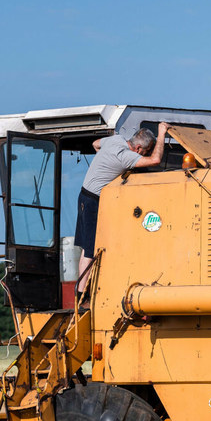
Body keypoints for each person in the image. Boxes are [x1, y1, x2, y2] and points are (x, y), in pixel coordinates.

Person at [75, 122, 167, 298]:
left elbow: (95, 143)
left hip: (83, 196)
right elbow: (155, 160)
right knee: (90, 249)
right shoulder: (125, 156)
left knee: (85, 248)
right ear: (139, 148)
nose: (145, 156)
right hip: (93, 201)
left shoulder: (115, 140)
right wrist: (161, 133)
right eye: (146, 152)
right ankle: (82, 295)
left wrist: (105, 163)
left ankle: (80, 291)